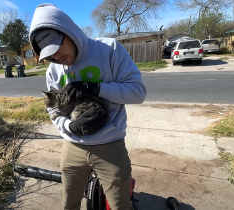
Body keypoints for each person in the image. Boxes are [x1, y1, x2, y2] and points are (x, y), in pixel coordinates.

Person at [29, 3, 146, 210]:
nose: (57, 57)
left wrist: (96, 88)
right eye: (49, 55)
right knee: (69, 204)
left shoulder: (109, 49)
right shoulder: (53, 71)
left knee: (120, 206)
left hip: (110, 144)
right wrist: (69, 127)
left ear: (69, 32)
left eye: (57, 48)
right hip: (72, 145)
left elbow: (137, 93)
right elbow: (53, 110)